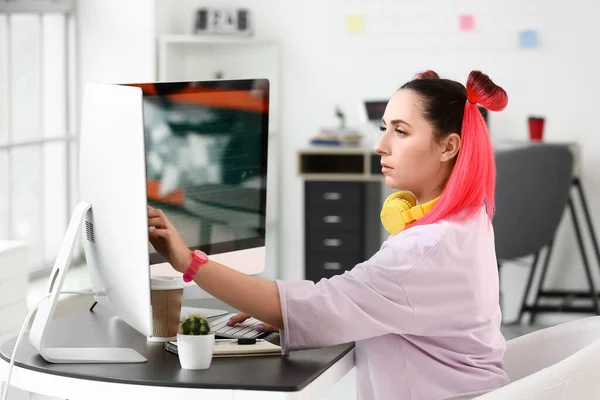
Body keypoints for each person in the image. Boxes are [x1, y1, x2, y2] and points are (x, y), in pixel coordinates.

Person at [147, 69, 510, 400]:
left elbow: (318, 306)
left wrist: (186, 260)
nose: (380, 146)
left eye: (400, 131)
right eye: (383, 128)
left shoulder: (422, 252)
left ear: (448, 146)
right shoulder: (469, 219)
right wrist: (304, 313)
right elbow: (361, 305)